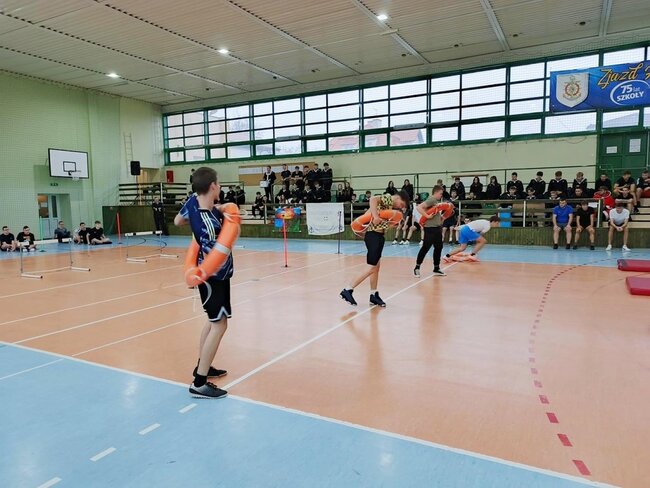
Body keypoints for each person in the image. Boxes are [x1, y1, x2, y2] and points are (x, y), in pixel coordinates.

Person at [176, 167, 233, 399]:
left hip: (212, 278)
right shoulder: (209, 224)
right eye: (218, 183)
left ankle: (204, 366)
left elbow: (178, 220)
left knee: (212, 321)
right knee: (220, 324)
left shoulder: (193, 202)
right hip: (214, 279)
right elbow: (217, 255)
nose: (220, 187)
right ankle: (199, 382)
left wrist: (213, 211)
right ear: (212, 186)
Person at [340, 191, 410, 308]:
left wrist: (389, 224)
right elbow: (373, 199)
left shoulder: (387, 206)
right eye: (401, 204)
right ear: (398, 198)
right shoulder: (388, 198)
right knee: (372, 267)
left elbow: (377, 221)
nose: (400, 207)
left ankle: (373, 294)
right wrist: (376, 217)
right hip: (374, 236)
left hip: (377, 235)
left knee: (376, 267)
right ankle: (348, 289)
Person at [413, 185, 446, 278]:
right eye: (440, 193)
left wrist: (440, 219)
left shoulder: (435, 201)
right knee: (425, 248)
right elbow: (419, 207)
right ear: (436, 192)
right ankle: (417, 268)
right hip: (430, 229)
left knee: (438, 247)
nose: (441, 195)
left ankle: (436, 268)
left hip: (437, 228)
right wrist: (427, 216)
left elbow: (434, 213)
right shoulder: (431, 199)